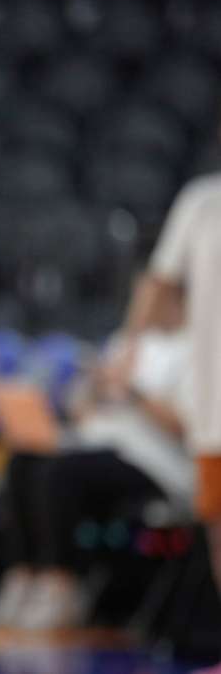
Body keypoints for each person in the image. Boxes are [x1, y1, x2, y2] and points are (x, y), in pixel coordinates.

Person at [0, 315, 194, 631]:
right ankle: (24, 574)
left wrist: (133, 391)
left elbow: (189, 429)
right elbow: (81, 410)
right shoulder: (124, 342)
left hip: (154, 461)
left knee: (62, 472)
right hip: (97, 442)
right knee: (23, 461)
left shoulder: (193, 348)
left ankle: (61, 584)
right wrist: (94, 387)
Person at [117, 168, 221, 674]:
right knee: (217, 530)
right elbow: (159, 278)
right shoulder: (202, 201)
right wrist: (128, 347)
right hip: (213, 405)